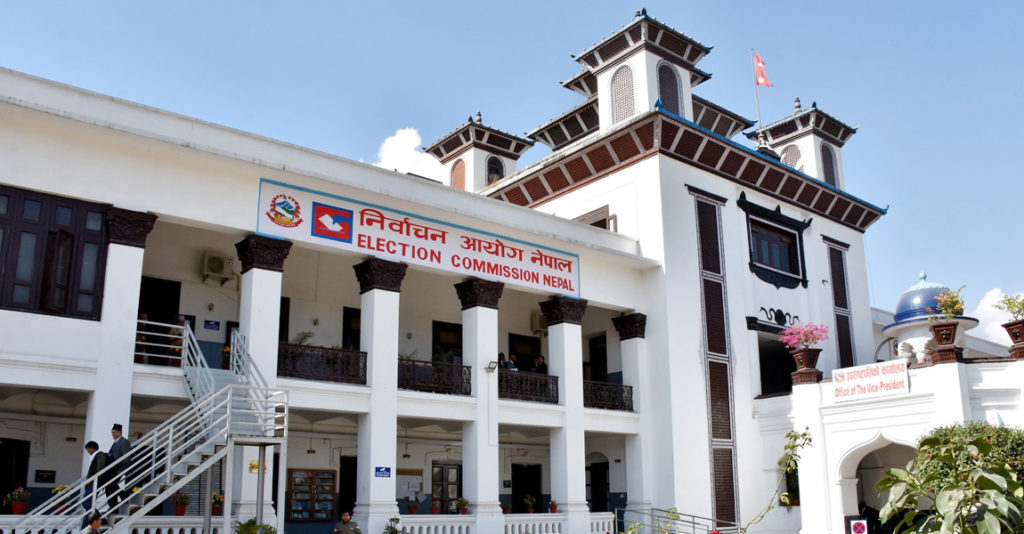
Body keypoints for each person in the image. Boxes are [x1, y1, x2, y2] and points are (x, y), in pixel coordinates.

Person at [106, 423, 131, 508]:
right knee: (109, 487)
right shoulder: (116, 442)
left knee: (110, 484)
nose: (113, 434)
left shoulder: (124, 442)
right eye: (112, 432)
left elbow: (126, 457)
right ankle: (113, 505)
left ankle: (123, 496)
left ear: (120, 432)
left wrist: (121, 470)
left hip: (118, 469)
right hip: (112, 469)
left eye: (114, 432)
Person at [83, 441, 109, 511]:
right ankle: (91, 517)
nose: (88, 452)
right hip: (93, 483)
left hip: (94, 483)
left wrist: (93, 480)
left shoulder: (100, 455)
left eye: (88, 449)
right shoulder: (96, 456)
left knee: (86, 503)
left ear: (92, 448)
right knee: (89, 503)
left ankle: (96, 516)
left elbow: (100, 469)